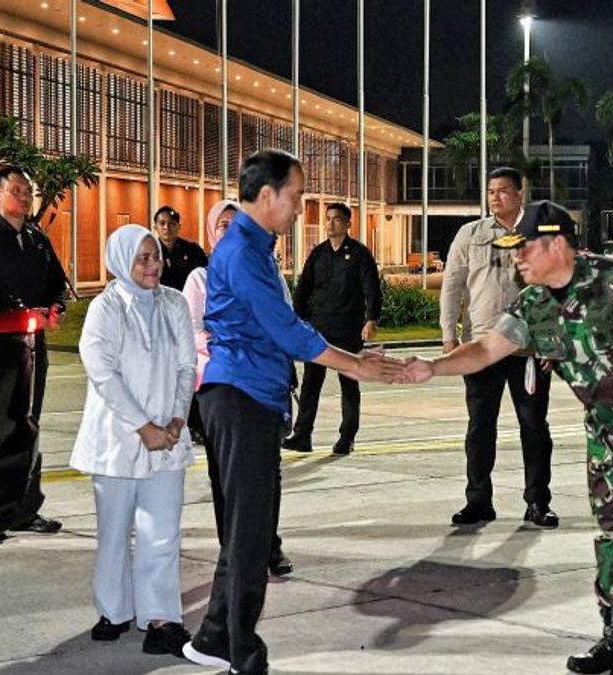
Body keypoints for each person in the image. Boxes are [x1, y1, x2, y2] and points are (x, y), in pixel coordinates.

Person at [405, 200, 613, 675]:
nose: (516, 258)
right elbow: (485, 348)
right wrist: (434, 366)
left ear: (557, 244)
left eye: (524, 248)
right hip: (605, 430)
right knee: (611, 532)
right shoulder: (534, 303)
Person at [182, 149, 406, 675]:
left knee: (246, 527)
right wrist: (355, 365)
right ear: (267, 195)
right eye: (297, 195)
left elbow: (282, 326)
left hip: (250, 396)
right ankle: (243, 653)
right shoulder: (241, 252)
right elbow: (288, 331)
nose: (302, 207)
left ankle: (214, 639)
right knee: (251, 532)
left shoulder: (255, 249)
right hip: (238, 398)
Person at [69, 224, 195, 658]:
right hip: (118, 440)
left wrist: (177, 419)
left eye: (156, 256)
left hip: (168, 437)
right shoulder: (105, 308)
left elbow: (185, 366)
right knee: (115, 531)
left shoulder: (175, 303)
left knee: (162, 532)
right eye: (142, 258)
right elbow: (103, 373)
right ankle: (115, 610)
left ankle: (161, 619)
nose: (152, 265)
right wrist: (144, 427)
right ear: (122, 260)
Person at [438, 167, 556, 527]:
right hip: (482, 347)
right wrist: (449, 336)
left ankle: (537, 502)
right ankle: (478, 501)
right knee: (479, 427)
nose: (495, 197)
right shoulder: (469, 234)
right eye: (491, 191)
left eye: (504, 190)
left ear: (520, 194)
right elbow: (452, 285)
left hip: (528, 348)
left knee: (534, 427)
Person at [182, 199, 293, 578]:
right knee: (225, 472)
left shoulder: (268, 275)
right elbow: (192, 331)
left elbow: (286, 323)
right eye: (223, 225)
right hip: (223, 386)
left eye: (237, 224)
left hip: (264, 385)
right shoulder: (200, 278)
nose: (230, 232)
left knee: (268, 471)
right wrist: (232, 345)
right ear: (212, 235)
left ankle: (268, 546)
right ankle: (233, 550)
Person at [0, 166, 67, 534]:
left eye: (28, 191)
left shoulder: (38, 240)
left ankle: (25, 507)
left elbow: (57, 284)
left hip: (33, 350)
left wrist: (55, 308)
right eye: (16, 190)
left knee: (29, 424)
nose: (24, 197)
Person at [283, 202, 382, 455]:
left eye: (337, 219)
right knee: (311, 383)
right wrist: (298, 321)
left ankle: (346, 437)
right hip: (318, 330)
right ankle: (302, 435)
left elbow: (372, 289)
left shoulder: (359, 254)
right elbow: (303, 289)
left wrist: (371, 319)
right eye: (328, 219)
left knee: (348, 384)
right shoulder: (318, 254)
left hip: (347, 330)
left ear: (348, 224)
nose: (330, 223)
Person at [153, 205, 208, 291]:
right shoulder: (151, 252)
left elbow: (204, 275)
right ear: (155, 227)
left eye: (171, 223)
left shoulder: (193, 250)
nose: (166, 228)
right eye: (162, 223)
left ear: (179, 226)